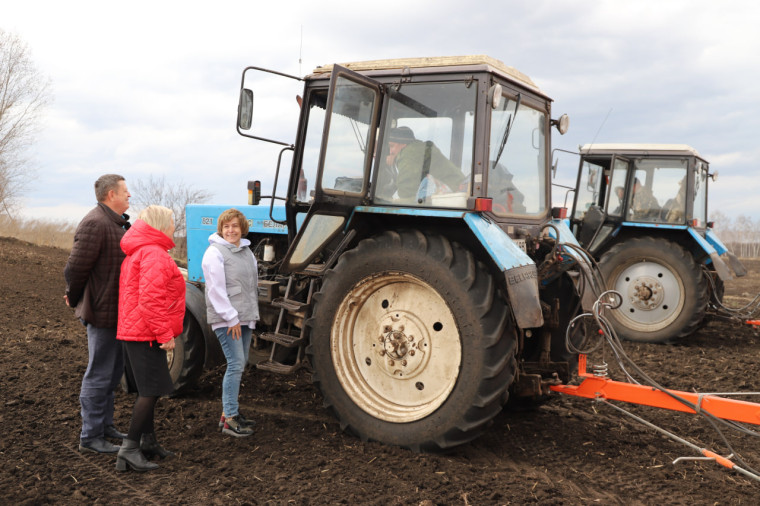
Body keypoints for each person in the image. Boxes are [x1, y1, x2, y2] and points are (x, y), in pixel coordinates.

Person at [64, 174, 131, 454]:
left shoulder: (115, 223)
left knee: (113, 373)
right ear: (110, 195)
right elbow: (75, 268)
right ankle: (90, 436)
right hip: (102, 311)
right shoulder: (96, 223)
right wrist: (76, 297)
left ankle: (105, 426)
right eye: (125, 192)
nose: (130, 196)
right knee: (99, 374)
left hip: (116, 312)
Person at [115, 205, 185, 472]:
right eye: (170, 221)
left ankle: (147, 441)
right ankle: (130, 449)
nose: (173, 226)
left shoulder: (141, 251)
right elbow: (150, 300)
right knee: (151, 391)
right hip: (145, 333)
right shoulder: (154, 254)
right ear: (159, 224)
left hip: (135, 332)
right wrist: (165, 334)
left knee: (149, 390)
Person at [201, 208, 259, 437]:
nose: (230, 230)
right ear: (221, 229)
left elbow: (251, 286)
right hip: (228, 319)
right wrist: (231, 318)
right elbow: (215, 290)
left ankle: (228, 413)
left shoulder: (246, 252)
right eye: (226, 227)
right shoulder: (214, 253)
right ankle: (230, 420)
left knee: (240, 363)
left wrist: (250, 318)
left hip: (243, 317)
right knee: (235, 364)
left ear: (241, 228)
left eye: (234, 226)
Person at [383, 126, 466, 203]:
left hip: (451, 192)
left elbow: (405, 192)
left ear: (403, 144)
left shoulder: (409, 155)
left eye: (392, 146)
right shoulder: (418, 150)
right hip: (456, 188)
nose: (390, 152)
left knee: (392, 203)